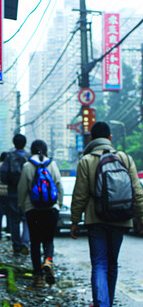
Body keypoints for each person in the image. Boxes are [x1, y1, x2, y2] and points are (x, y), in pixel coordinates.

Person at [70, 121, 143, 307]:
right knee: (112, 263)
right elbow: (138, 192)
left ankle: (102, 304)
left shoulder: (85, 161)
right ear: (110, 138)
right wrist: (140, 218)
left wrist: (75, 221)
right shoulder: (125, 159)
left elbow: (79, 195)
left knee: (99, 263)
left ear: (92, 138)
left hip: (96, 220)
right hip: (121, 218)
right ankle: (107, 303)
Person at [18, 140, 63, 287]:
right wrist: (58, 205)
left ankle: (38, 276)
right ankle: (48, 260)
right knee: (49, 240)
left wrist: (23, 206)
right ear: (45, 150)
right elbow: (59, 186)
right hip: (51, 209)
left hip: (33, 210)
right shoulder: (52, 164)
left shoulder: (27, 166)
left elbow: (22, 189)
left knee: (35, 242)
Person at [1, 134, 30, 255]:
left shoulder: (9, 157)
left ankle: (16, 246)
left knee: (14, 220)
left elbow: (3, 175)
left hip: (12, 192)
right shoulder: (29, 157)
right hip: (27, 194)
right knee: (27, 219)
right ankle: (25, 243)